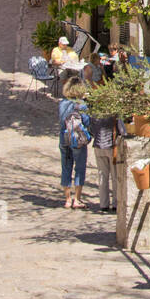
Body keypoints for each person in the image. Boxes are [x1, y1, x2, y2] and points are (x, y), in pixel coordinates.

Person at [58, 79, 92, 209]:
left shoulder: (62, 104)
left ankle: (67, 199)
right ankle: (77, 199)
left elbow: (61, 121)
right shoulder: (82, 105)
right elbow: (87, 122)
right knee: (79, 168)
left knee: (66, 167)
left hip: (64, 137)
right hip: (78, 139)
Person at [89, 113, 127, 212]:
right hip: (111, 146)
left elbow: (91, 130)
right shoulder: (114, 114)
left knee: (102, 175)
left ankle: (103, 203)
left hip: (98, 145)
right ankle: (115, 203)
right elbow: (122, 130)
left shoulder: (94, 113)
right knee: (115, 176)